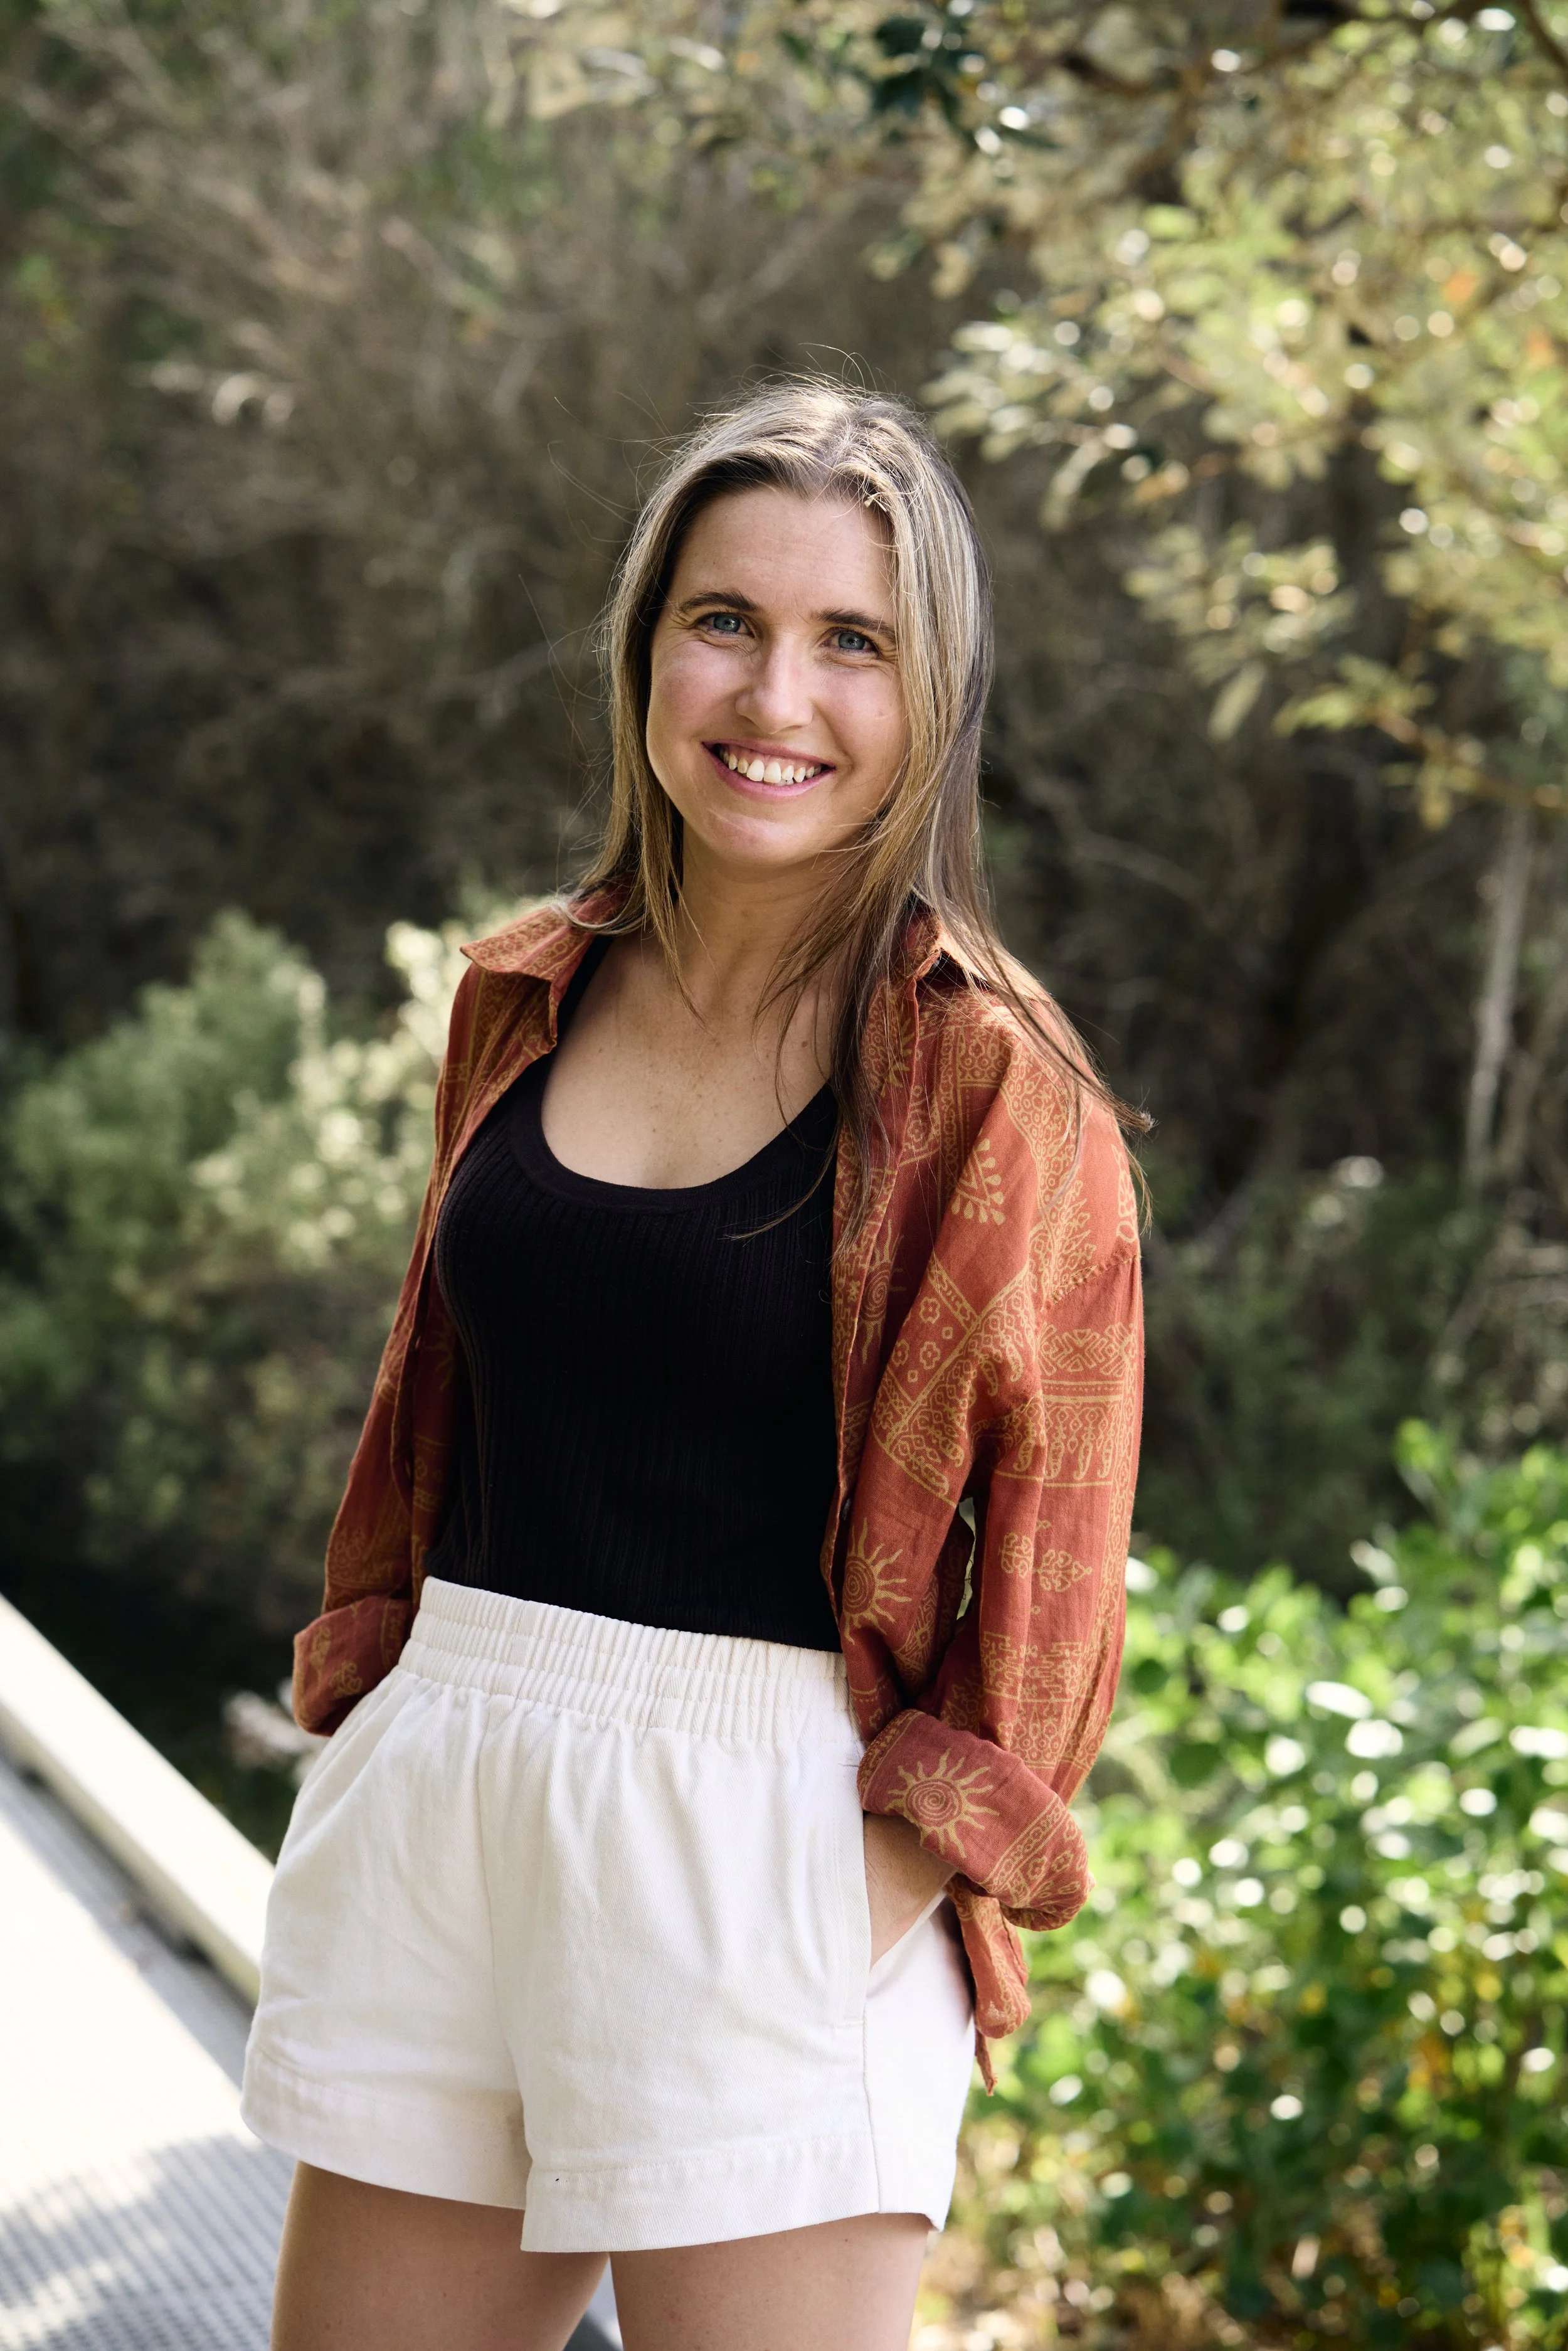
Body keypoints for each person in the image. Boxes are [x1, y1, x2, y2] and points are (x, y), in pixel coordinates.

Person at [241, 380, 1145, 2351]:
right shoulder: (524, 989)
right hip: (454, 1786)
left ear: (932, 696)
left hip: (765, 1835)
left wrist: (872, 1882)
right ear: (645, 644)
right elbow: (437, 1406)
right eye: (724, 619)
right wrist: (382, 1697)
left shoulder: (990, 1081)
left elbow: (1061, 1558)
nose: (774, 695)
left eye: (853, 642)